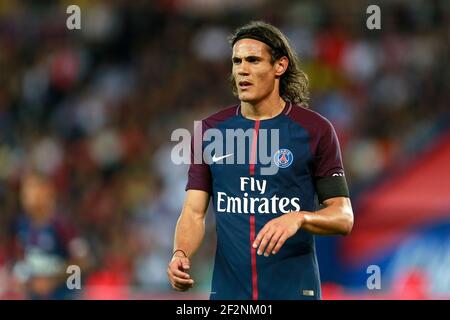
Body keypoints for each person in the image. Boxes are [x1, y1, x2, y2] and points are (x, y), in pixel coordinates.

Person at [167, 21, 354, 300]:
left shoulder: (315, 130)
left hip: (294, 292)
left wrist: (299, 218)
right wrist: (180, 253)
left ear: (280, 66)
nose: (242, 69)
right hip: (229, 295)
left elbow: (343, 217)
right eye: (237, 61)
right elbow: (194, 213)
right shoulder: (210, 131)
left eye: (253, 60)